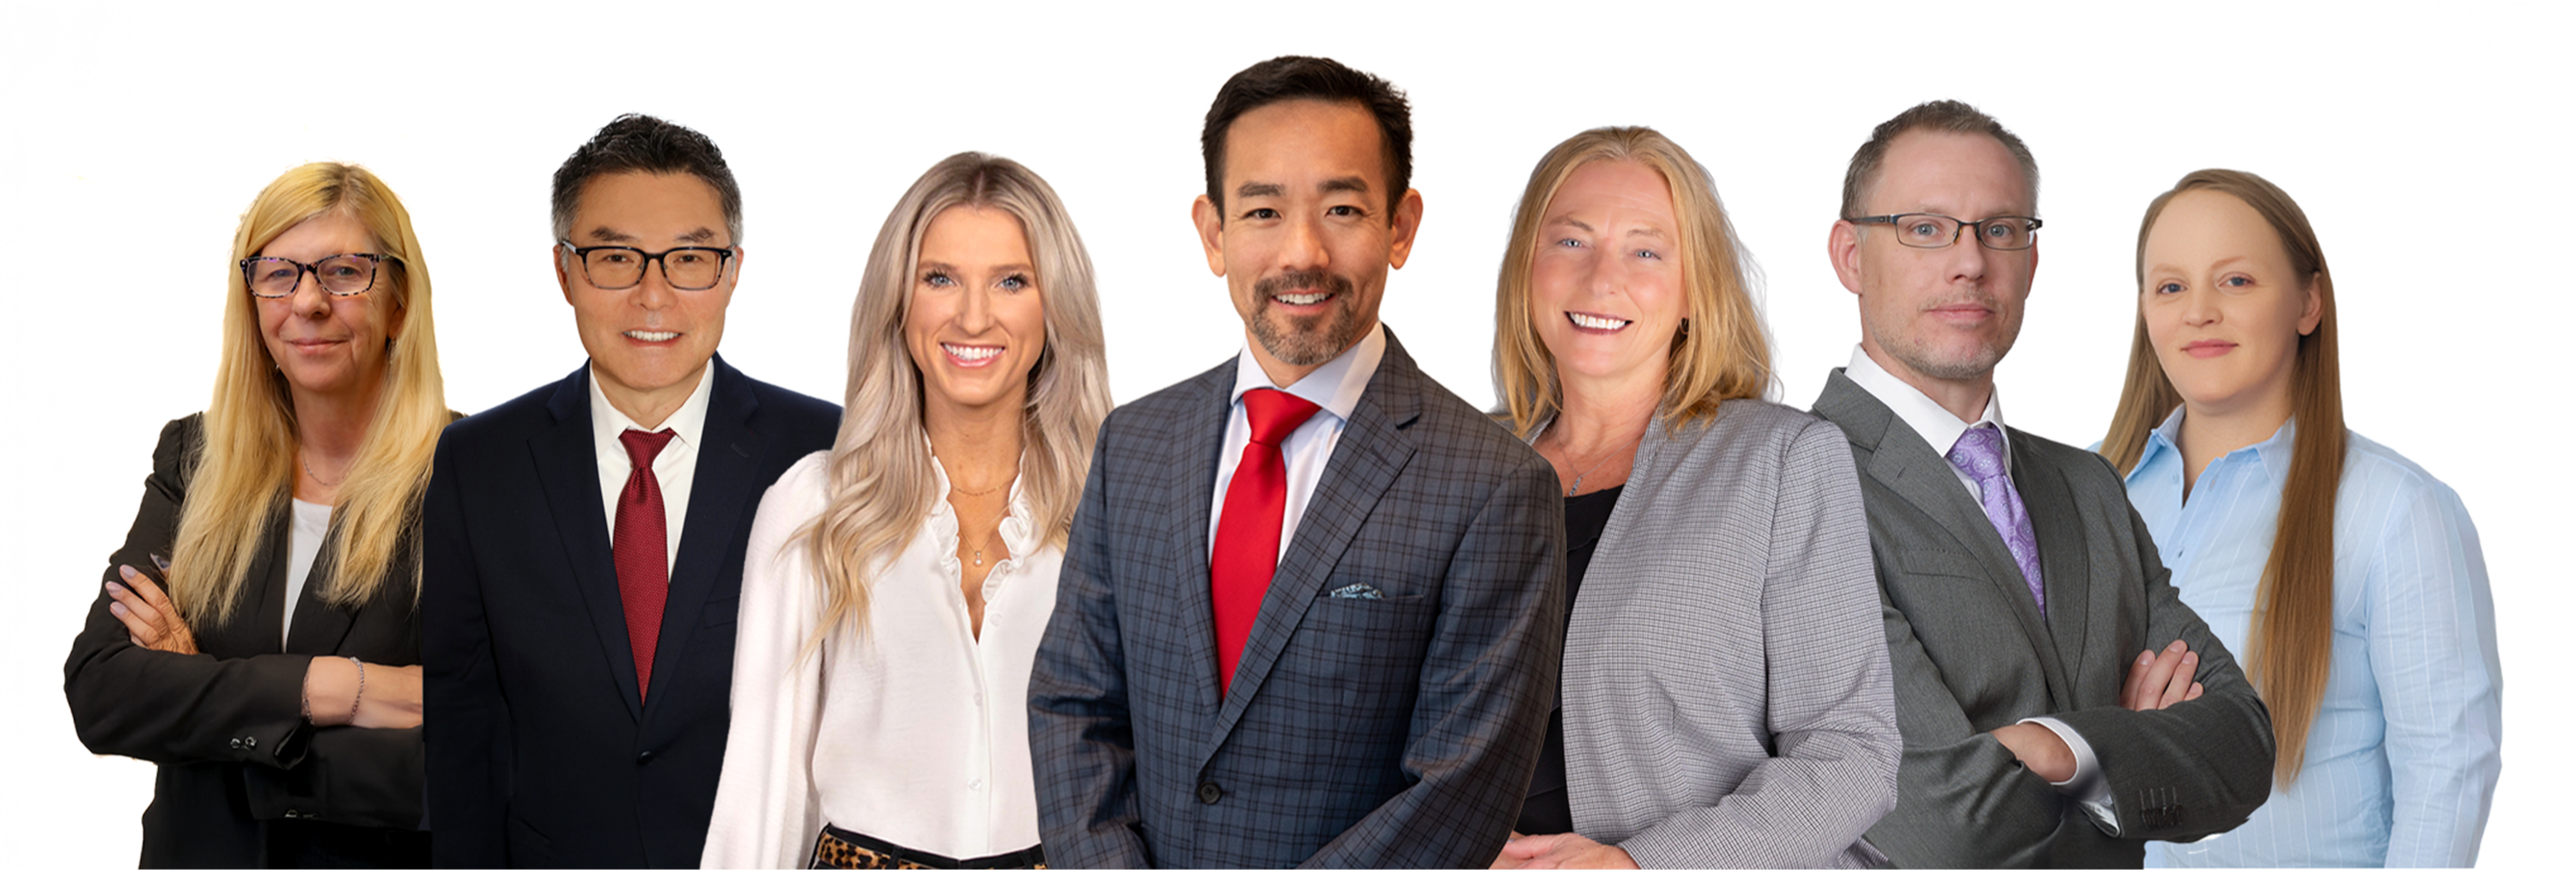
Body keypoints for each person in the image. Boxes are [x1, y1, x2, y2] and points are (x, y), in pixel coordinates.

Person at [1027, 55, 1565, 869]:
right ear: (1214, 233)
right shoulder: (1135, 443)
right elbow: (1075, 703)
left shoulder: (1495, 485)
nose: (1303, 252)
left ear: (1401, 226)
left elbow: (1459, 791)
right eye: (1263, 211)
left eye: (1342, 208)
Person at [1805, 100, 2276, 867]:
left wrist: (2061, 747)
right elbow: (1935, 821)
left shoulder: (2088, 486)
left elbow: (2245, 743)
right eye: (1925, 228)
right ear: (1851, 255)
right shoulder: (1795, 480)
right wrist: (2125, 753)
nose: (1969, 261)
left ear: (2031, 258)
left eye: (2000, 229)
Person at [422, 114, 841, 869]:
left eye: (689, 258)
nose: (654, 295)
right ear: (564, 270)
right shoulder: (479, 463)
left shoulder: (826, 452)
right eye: (615, 257)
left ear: (734, 269)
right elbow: (464, 733)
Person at [1486, 126, 1899, 870]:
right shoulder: (1457, 468)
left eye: (1646, 250)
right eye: (1571, 242)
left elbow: (1852, 755)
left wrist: (1641, 865)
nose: (1600, 279)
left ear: (1692, 290)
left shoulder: (1782, 463)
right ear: (1528, 268)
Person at [701, 152, 1110, 870]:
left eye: (1011, 280)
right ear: (900, 299)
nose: (974, 314)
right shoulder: (816, 505)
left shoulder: (1116, 507)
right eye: (940, 278)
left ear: (1055, 304)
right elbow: (761, 791)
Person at [2099, 168, 2500, 867]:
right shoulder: (2086, 496)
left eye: (2236, 281)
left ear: (2308, 302)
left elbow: (2447, 773)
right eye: (2171, 286)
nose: (2198, 311)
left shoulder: (2394, 511)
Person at [65, 161, 450, 868]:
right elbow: (103, 691)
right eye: (278, 272)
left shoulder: (473, 477)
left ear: (398, 302)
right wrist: (336, 687)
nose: (307, 301)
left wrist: (204, 690)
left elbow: (491, 751)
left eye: (343, 271)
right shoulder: (195, 458)